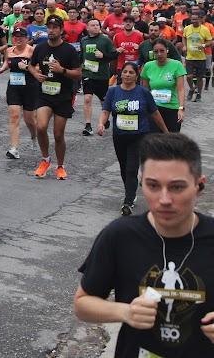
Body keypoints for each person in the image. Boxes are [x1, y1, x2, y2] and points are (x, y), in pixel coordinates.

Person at [74, 133, 214, 357]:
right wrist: (126, 311)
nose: (164, 199)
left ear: (199, 185)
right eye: (153, 185)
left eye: (177, 187)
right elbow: (82, 304)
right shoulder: (120, 236)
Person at [99, 61, 169, 216]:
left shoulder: (143, 93)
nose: (127, 75)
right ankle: (131, 191)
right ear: (120, 74)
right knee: (124, 168)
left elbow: (155, 113)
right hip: (120, 136)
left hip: (139, 136)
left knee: (131, 168)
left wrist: (165, 131)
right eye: (125, 72)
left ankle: (128, 201)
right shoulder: (113, 92)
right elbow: (106, 111)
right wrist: (101, 124)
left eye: (131, 73)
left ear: (137, 76)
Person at [29, 16, 81, 180]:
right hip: (44, 94)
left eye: (54, 27)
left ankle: (60, 166)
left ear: (61, 30)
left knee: (58, 134)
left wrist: (62, 70)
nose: (51, 30)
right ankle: (45, 160)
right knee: (41, 127)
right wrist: (35, 73)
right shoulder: (40, 48)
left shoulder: (69, 50)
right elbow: (31, 65)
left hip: (63, 95)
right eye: (49, 27)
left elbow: (78, 73)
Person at [0, 27, 38, 159]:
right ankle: (14, 148)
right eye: (16, 36)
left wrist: (27, 67)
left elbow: (38, 68)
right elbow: (7, 63)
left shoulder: (32, 51)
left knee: (29, 119)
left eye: (21, 36)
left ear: (27, 38)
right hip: (14, 86)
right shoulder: (9, 50)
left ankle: (34, 136)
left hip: (30, 87)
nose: (18, 39)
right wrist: (2, 69)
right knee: (14, 116)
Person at [140, 38, 187, 133]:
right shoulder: (148, 66)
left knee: (172, 140)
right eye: (156, 51)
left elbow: (181, 89)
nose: (159, 54)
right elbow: (145, 90)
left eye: (162, 51)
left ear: (167, 50)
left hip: (172, 108)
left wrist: (181, 108)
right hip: (154, 109)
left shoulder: (177, 65)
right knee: (154, 140)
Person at [81, 19, 118, 136]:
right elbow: (81, 55)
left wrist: (103, 56)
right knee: (87, 99)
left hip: (102, 75)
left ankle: (105, 119)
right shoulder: (84, 40)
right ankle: (88, 126)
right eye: (93, 25)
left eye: (97, 25)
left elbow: (114, 55)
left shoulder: (105, 40)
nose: (96, 27)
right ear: (87, 28)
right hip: (87, 74)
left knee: (104, 101)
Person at [180, 9, 212, 102]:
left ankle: (199, 94)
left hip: (201, 57)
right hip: (190, 57)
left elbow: (210, 41)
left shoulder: (205, 29)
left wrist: (203, 45)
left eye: (196, 19)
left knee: (199, 78)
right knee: (189, 76)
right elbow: (184, 37)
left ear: (200, 19)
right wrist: (185, 46)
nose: (193, 21)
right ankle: (191, 88)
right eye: (192, 19)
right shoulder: (187, 28)